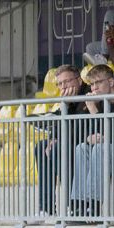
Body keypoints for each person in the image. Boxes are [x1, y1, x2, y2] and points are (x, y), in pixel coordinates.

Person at [34, 64, 91, 216]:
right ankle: (46, 208)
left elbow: (80, 128)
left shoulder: (89, 94)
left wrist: (66, 105)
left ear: (79, 80)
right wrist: (53, 138)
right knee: (42, 146)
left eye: (66, 81)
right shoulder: (67, 99)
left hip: (86, 146)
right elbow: (57, 123)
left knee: (59, 148)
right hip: (71, 143)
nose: (63, 87)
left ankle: (74, 204)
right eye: (59, 84)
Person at [71, 64, 114, 219]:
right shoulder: (98, 102)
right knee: (81, 147)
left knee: (100, 149)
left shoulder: (97, 105)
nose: (94, 88)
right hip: (106, 150)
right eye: (92, 84)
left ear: (111, 82)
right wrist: (89, 138)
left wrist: (93, 110)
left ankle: (93, 205)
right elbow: (89, 133)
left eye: (98, 82)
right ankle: (79, 205)